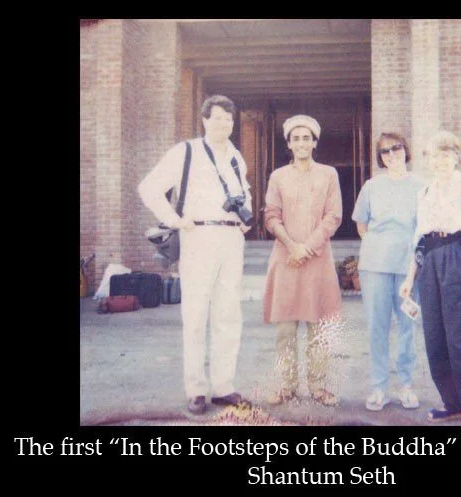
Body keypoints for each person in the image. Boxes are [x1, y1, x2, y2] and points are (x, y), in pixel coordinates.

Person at [138, 95, 253, 415]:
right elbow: (148, 187)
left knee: (228, 314)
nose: (224, 124)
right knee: (196, 314)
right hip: (197, 236)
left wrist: (247, 217)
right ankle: (196, 389)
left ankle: (224, 386)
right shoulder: (185, 151)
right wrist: (175, 220)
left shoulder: (236, 157)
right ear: (204, 120)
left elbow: (246, 191)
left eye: (229, 119)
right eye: (218, 118)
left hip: (231, 239)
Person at [398, 130, 461, 426]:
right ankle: (452, 404)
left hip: (457, 255)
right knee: (435, 338)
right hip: (430, 262)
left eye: (447, 154)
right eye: (436, 155)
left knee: (459, 339)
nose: (441, 160)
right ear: (429, 159)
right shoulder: (424, 192)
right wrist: (410, 277)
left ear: (456, 157)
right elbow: (420, 238)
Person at [262, 114, 343, 407]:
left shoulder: (329, 174)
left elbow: (333, 216)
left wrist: (306, 247)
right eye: (295, 138)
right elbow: (271, 216)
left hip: (317, 260)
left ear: (315, 142)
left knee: (318, 329)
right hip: (286, 259)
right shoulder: (278, 177)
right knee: (285, 330)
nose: (301, 143)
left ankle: (319, 386)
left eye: (306, 138)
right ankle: (286, 386)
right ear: (289, 143)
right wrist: (292, 245)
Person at [351, 132, 426, 411]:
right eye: (384, 151)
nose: (391, 154)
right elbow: (361, 224)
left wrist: (411, 261)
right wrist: (378, 247)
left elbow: (425, 229)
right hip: (375, 268)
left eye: (396, 148)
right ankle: (379, 387)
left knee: (408, 325)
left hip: (409, 272)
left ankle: (406, 386)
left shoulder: (422, 186)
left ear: (406, 150)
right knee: (377, 328)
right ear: (380, 158)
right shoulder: (372, 186)